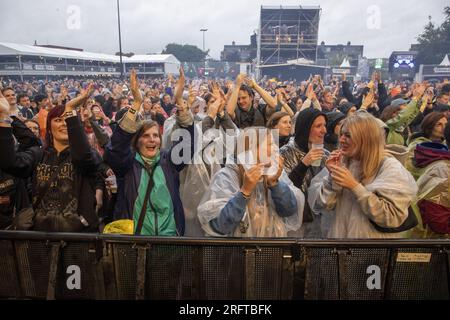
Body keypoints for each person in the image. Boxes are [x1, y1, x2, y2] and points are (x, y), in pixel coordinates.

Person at [104, 70, 195, 236]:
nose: (152, 140)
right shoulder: (127, 164)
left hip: (169, 241)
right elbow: (115, 149)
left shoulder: (168, 161)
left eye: (155, 136)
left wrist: (179, 98)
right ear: (137, 141)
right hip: (137, 244)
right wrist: (137, 103)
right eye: (145, 136)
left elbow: (187, 146)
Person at [0, 84, 101, 232]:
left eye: (66, 119)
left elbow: (82, 157)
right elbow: (9, 163)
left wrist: (70, 111)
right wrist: (4, 117)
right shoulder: (38, 154)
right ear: (49, 127)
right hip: (41, 237)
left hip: (78, 237)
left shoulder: (90, 154)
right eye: (58, 120)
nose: (64, 124)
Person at [308, 113, 418, 239]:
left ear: (366, 138)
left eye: (348, 136)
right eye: (342, 134)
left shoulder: (390, 168)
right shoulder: (344, 161)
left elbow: (392, 217)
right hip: (340, 247)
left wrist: (355, 187)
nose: (342, 140)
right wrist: (333, 177)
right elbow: (322, 205)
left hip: (371, 251)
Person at [197, 128, 304, 237]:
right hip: (236, 250)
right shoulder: (227, 177)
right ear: (251, 149)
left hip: (271, 249)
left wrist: (275, 184)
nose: (276, 149)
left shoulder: (275, 173)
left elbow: (289, 211)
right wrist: (245, 191)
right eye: (270, 144)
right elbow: (220, 226)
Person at [280, 108, 328, 238]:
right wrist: (303, 164)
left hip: (320, 221)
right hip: (295, 224)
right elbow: (285, 192)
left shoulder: (326, 155)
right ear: (306, 128)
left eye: (325, 125)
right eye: (318, 126)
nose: (324, 130)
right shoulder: (285, 153)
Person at [406, 112, 448, 179]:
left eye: (446, 124)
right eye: (439, 125)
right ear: (429, 127)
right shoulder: (416, 145)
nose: (444, 128)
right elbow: (410, 168)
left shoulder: (444, 144)